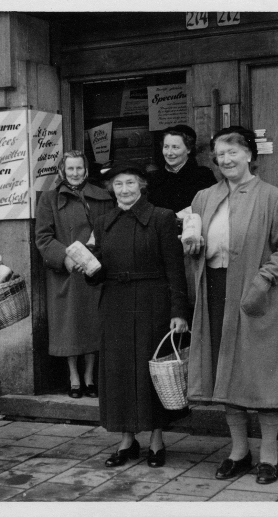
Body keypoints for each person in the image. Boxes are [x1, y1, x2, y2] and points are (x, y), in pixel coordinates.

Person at [184, 126, 278, 484]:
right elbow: (196, 240)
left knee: (264, 371)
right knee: (226, 371)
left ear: (250, 155)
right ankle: (239, 451)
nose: (226, 160)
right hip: (216, 290)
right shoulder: (203, 198)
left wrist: (264, 280)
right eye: (220, 155)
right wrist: (193, 248)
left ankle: (269, 454)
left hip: (256, 293)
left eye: (233, 152)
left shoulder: (274, 198)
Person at [83, 163, 190, 468]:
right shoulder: (103, 222)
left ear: (142, 186)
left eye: (130, 183)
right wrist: (88, 268)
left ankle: (157, 441)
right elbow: (98, 271)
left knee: (149, 371)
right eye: (119, 184)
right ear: (111, 189)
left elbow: (175, 269)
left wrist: (179, 311)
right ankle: (126, 440)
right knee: (118, 372)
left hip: (152, 302)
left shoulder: (162, 217)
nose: (125, 189)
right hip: (114, 303)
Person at [35, 150, 114, 398]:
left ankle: (90, 378)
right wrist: (65, 258)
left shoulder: (102, 197)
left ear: (87, 170)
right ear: (62, 171)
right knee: (69, 325)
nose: (75, 173)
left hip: (93, 269)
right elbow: (43, 237)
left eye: (79, 168)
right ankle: (74, 377)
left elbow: (110, 230)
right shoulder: (49, 199)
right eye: (70, 169)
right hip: (66, 273)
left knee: (92, 323)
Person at [146, 124, 218, 214]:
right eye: (166, 147)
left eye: (175, 147)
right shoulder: (155, 179)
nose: (169, 153)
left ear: (188, 149)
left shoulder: (203, 176)